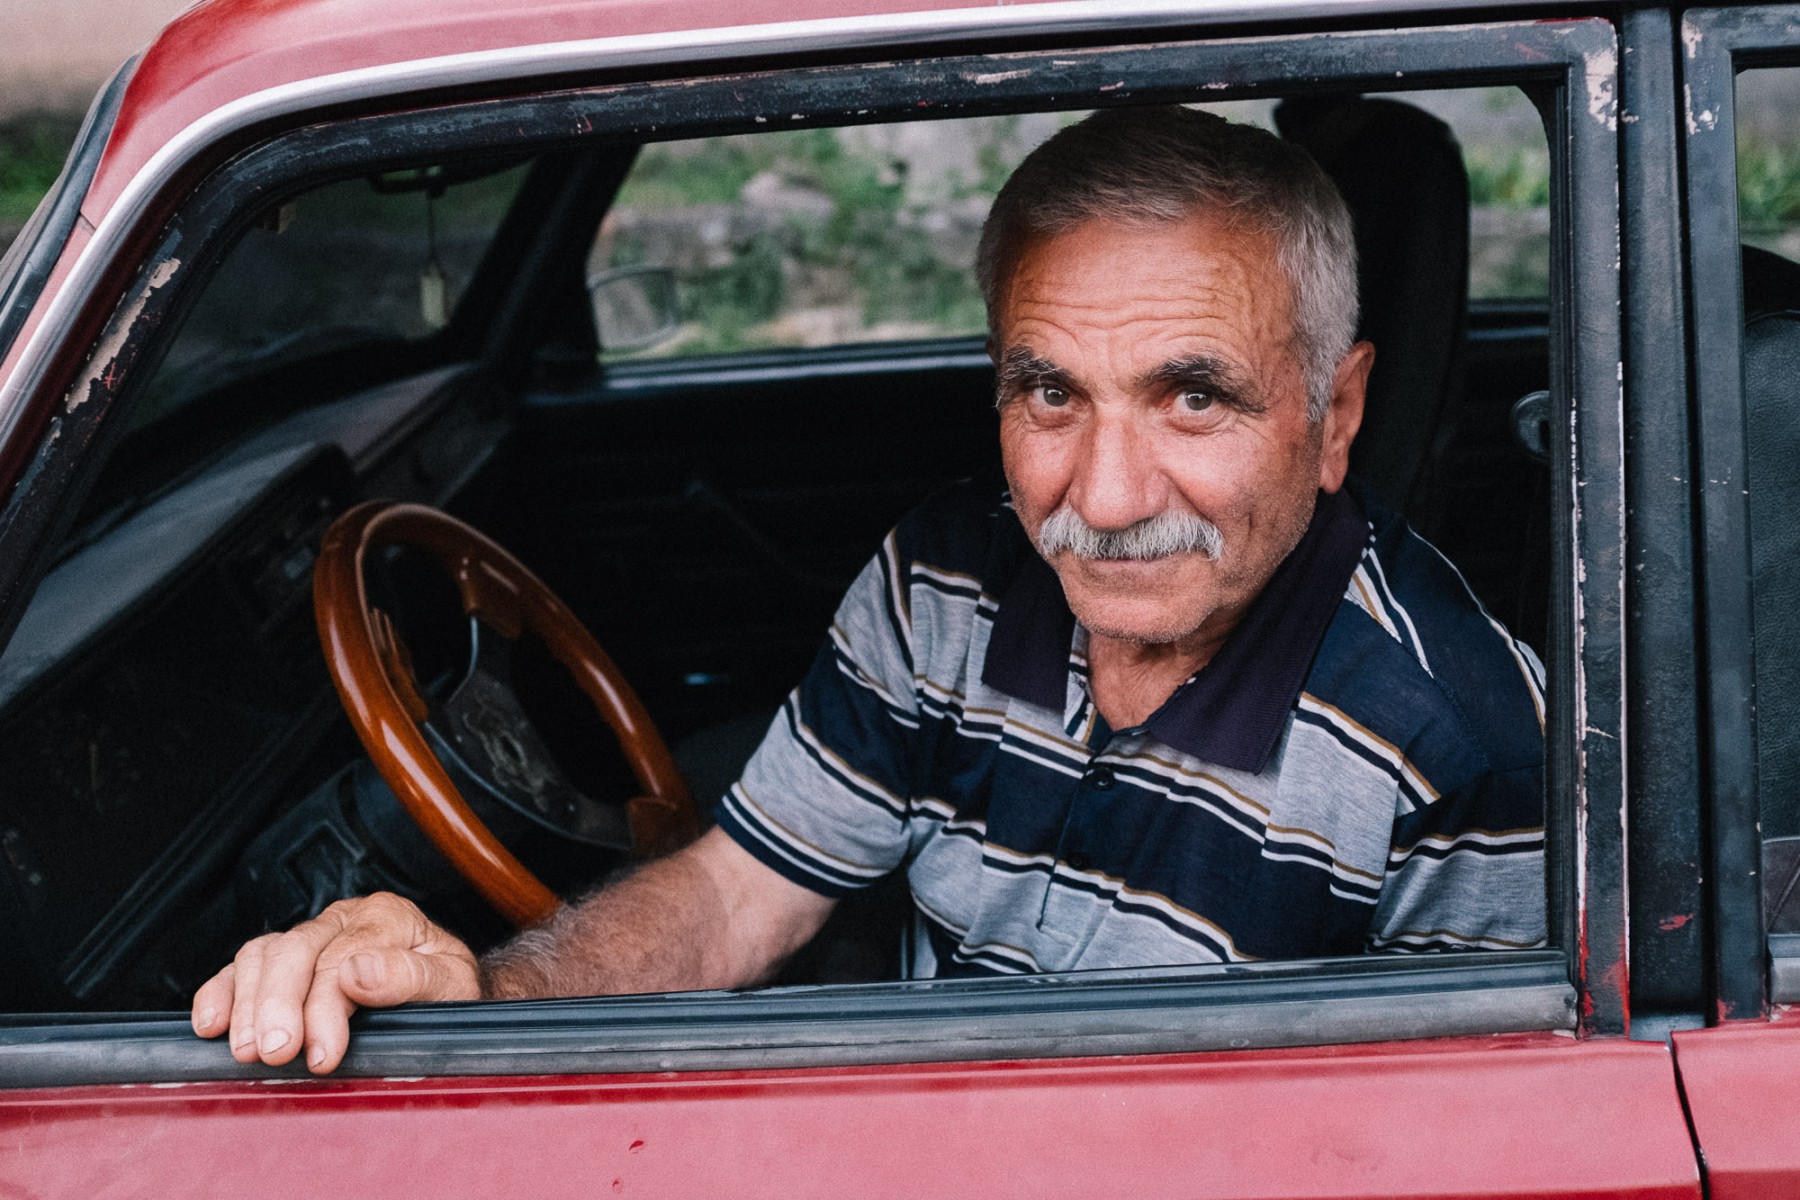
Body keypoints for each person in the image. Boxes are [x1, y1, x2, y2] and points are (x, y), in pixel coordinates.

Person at [191, 105, 1546, 1074]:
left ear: (1335, 412)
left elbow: (1468, 1129)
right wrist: (480, 993)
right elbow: (733, 893)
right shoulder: (947, 574)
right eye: (1049, 393)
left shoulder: (1461, 743)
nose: (1107, 494)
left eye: (1193, 397)